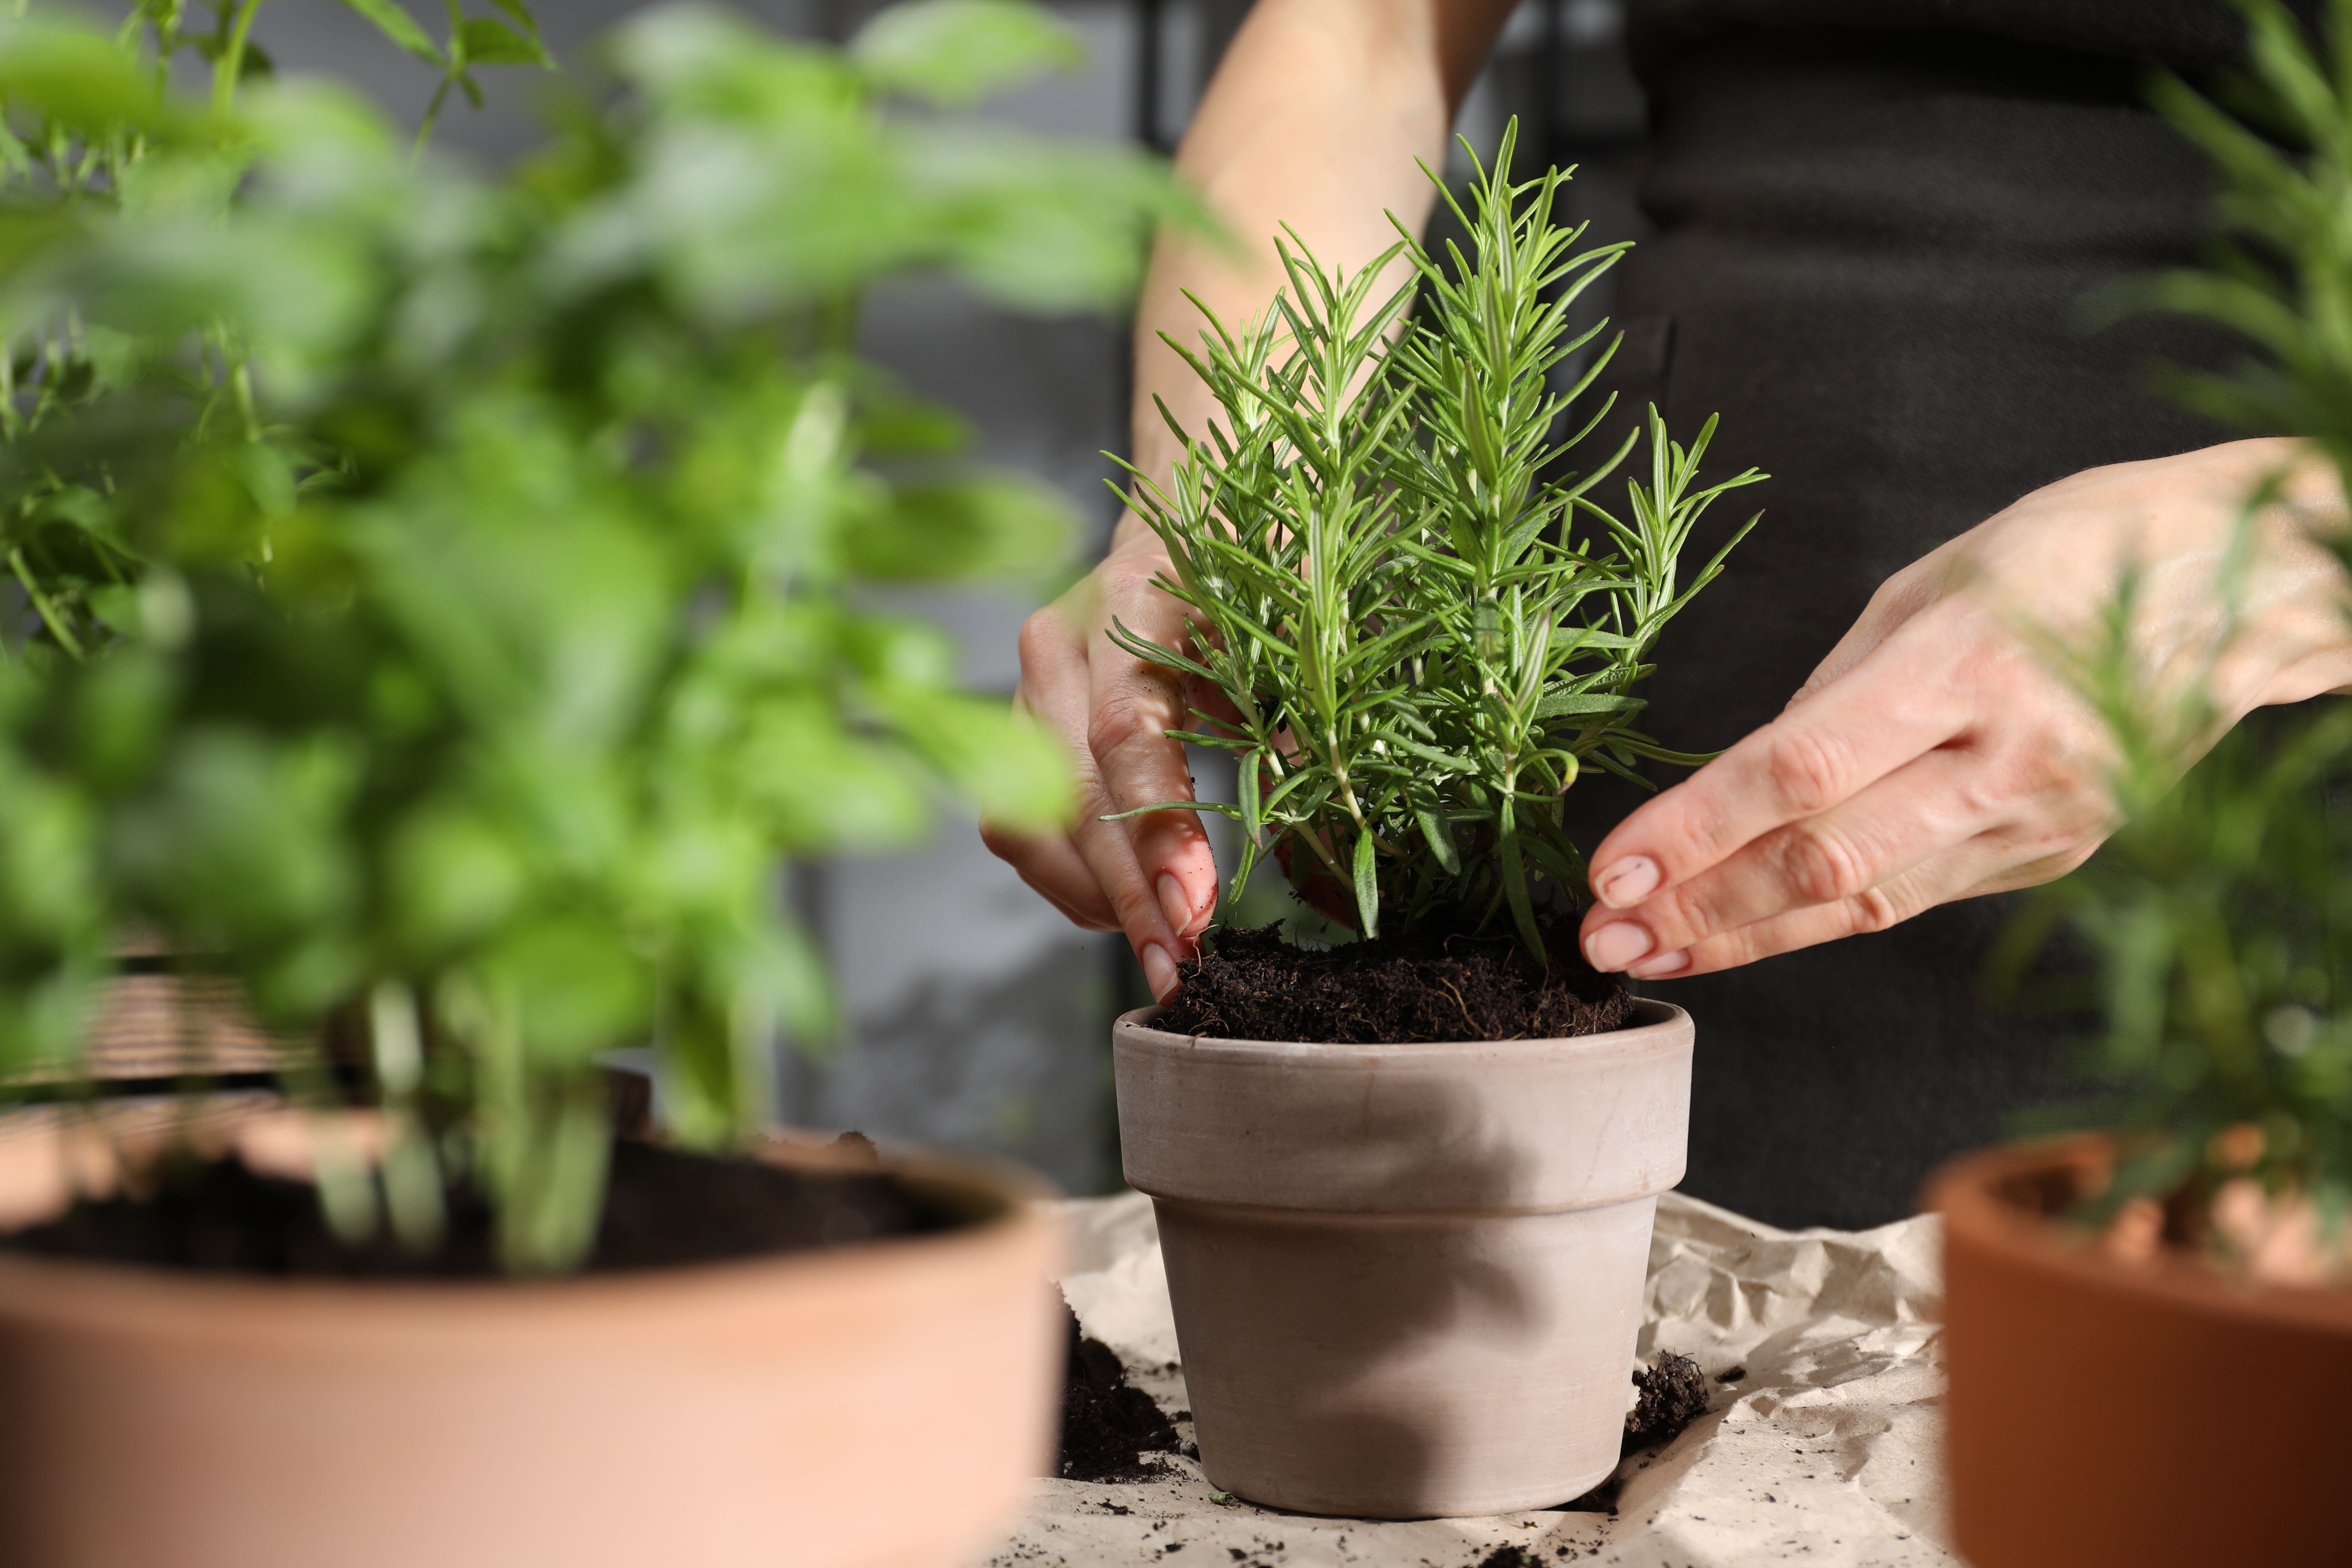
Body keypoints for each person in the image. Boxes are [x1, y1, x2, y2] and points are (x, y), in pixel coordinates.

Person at [982, 0, 2352, 1226]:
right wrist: (1224, 496)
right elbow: (1364, 35)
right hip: (1663, 768)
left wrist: (2280, 546)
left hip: (2257, 851)